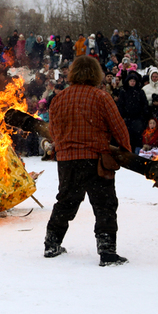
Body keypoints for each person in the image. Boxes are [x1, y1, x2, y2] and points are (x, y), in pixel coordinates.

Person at [44, 55, 132, 266]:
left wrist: (63, 146)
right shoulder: (101, 97)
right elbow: (118, 127)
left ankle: (51, 243)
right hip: (95, 158)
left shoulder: (59, 99)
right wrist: (125, 151)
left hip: (67, 159)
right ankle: (107, 251)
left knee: (66, 201)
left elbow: (53, 131)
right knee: (104, 204)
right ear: (96, 74)